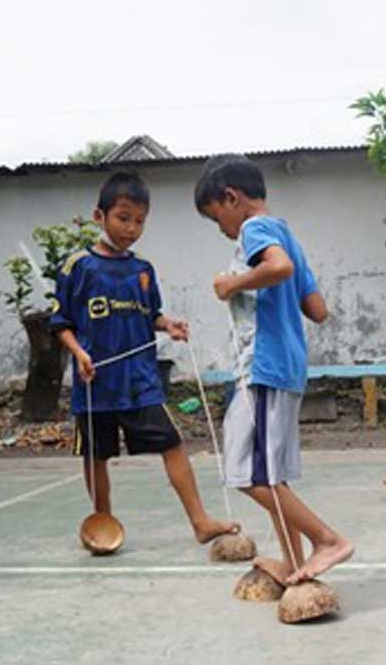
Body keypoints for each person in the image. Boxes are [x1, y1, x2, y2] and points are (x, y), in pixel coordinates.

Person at [51, 171, 240, 548]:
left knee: (172, 443)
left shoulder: (142, 270)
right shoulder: (78, 267)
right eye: (123, 218)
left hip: (140, 381)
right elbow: (61, 323)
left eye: (140, 221)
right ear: (99, 216)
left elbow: (148, 315)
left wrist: (167, 325)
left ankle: (200, 521)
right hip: (96, 385)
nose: (132, 229)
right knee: (96, 456)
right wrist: (79, 353)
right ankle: (102, 522)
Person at [194, 153, 351, 585]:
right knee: (270, 474)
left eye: (216, 218)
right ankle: (294, 562)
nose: (222, 229)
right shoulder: (287, 235)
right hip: (288, 366)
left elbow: (278, 268)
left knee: (244, 470)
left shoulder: (254, 229)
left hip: (263, 366)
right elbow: (318, 310)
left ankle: (327, 540)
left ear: (232, 198)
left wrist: (232, 284)